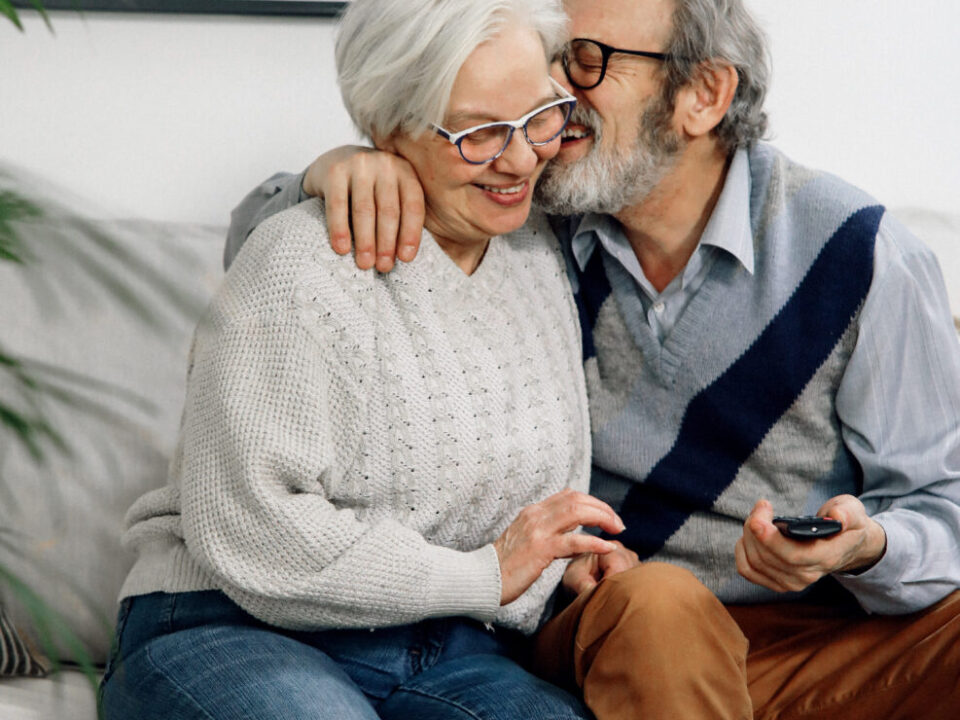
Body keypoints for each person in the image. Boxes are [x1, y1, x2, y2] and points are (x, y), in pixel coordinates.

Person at [226, 0, 960, 718]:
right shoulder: (520, 209)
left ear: (703, 95)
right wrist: (338, 172)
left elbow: (944, 503)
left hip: (824, 641)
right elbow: (260, 255)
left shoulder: (862, 256)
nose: (549, 98)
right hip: (626, 625)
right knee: (660, 603)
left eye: (585, 61)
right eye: (552, 58)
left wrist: (867, 547)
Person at [98, 1, 634, 718]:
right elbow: (253, 525)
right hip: (228, 625)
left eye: (540, 117)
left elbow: (501, 493)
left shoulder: (537, 256)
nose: (518, 158)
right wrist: (485, 575)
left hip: (447, 650)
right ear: (388, 128)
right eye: (477, 133)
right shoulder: (300, 260)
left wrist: (562, 564)